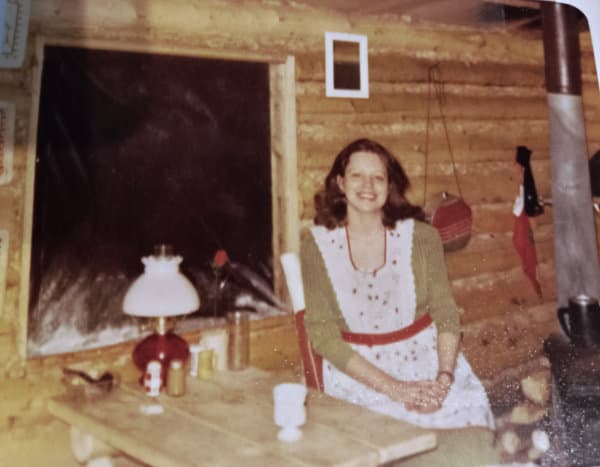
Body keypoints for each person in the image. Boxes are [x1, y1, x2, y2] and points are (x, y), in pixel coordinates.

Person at [300, 138, 498, 466]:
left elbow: (446, 314)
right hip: (361, 374)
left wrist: (444, 378)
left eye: (378, 177)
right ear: (340, 182)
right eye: (356, 176)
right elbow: (323, 337)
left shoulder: (421, 237)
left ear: (390, 184)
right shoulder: (317, 248)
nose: (367, 186)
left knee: (468, 449)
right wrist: (395, 389)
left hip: (428, 360)